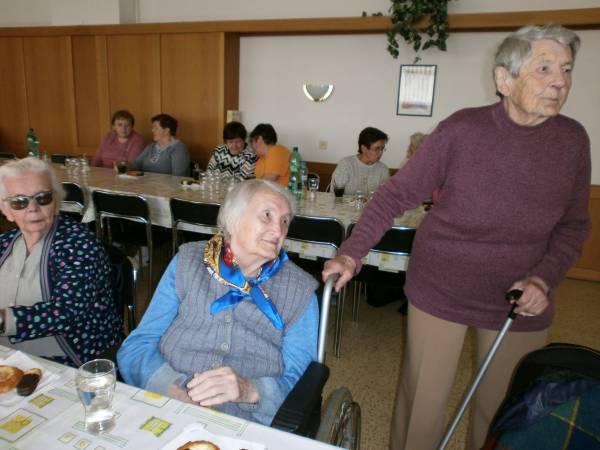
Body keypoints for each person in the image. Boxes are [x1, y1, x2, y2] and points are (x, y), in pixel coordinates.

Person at [322, 24, 590, 450]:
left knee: (505, 411)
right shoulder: (461, 131)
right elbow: (394, 195)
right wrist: (352, 254)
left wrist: (544, 279)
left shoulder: (572, 141)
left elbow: (573, 225)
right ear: (504, 79)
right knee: (423, 406)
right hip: (442, 285)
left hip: (522, 298)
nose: (559, 81)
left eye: (567, 69)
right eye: (544, 68)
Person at [118, 179, 319, 425]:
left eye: (285, 221)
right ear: (233, 220)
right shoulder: (187, 261)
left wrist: (248, 390)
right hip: (167, 406)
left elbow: (300, 385)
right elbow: (137, 346)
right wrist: (174, 392)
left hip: (243, 424)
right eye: (267, 215)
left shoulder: (300, 291)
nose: (278, 231)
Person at [0, 157, 122, 367]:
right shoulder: (4, 243)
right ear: (7, 211)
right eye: (19, 202)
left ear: (56, 201)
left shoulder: (79, 245)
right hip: (8, 355)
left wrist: (3, 320)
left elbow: (66, 312)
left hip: (69, 359)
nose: (32, 208)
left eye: (43, 198)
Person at [330, 127, 390, 196]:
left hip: (372, 204)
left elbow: (385, 196)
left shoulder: (383, 169)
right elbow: (334, 194)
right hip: (344, 203)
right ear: (363, 148)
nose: (381, 153)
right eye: (377, 149)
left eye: (382, 149)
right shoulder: (346, 164)